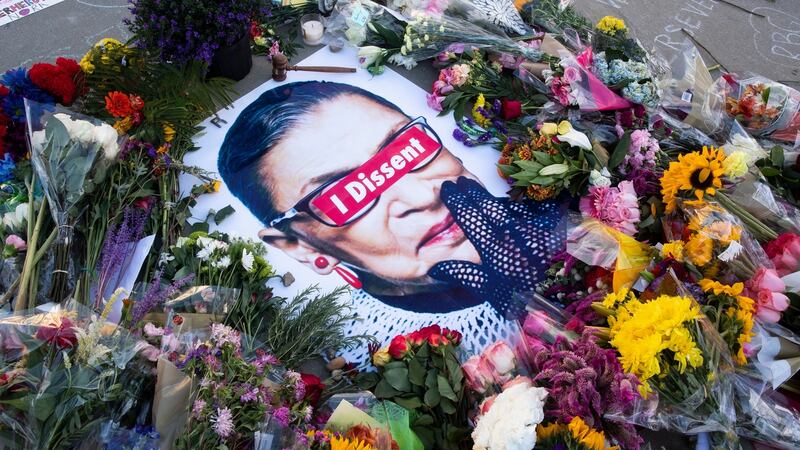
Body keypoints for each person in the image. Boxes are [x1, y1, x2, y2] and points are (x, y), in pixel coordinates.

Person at [218, 81, 564, 359]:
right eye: (349, 193)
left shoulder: (567, 219)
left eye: (405, 149)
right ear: (297, 245)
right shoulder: (366, 354)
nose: (420, 198)